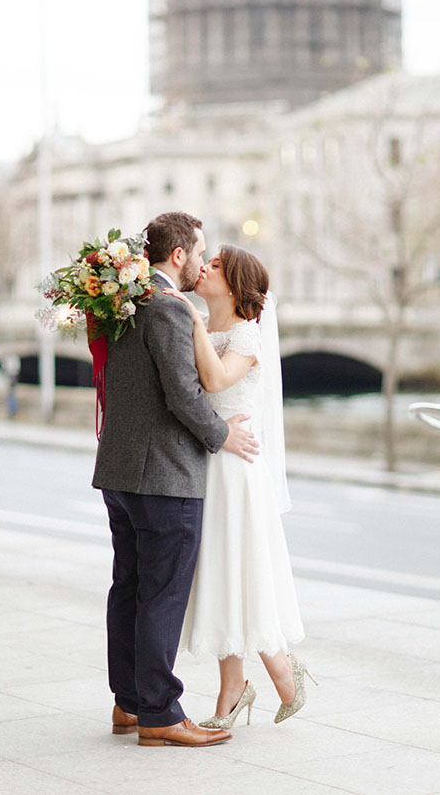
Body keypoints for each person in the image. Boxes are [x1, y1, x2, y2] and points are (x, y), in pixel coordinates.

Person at [91, 212, 259, 748]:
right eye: (200, 251)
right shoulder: (167, 307)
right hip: (162, 475)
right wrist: (221, 435)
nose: (204, 261)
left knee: (130, 589)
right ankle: (160, 712)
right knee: (159, 596)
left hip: (121, 470)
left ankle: (129, 703)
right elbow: (184, 394)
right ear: (179, 255)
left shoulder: (123, 301)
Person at [164, 245, 315, 728]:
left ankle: (274, 671)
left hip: (237, 470)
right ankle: (238, 685)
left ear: (231, 285)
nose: (201, 268)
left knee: (243, 568)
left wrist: (190, 320)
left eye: (213, 265)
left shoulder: (247, 334)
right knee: (222, 572)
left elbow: (214, 380)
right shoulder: (207, 327)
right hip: (209, 463)